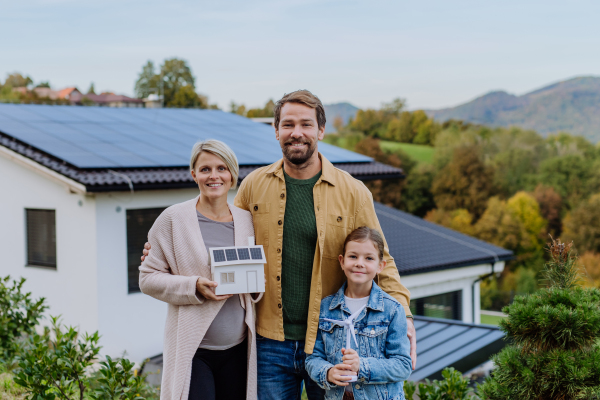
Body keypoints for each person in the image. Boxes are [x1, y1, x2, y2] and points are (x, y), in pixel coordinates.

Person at [143, 90, 417, 400]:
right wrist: (163, 248)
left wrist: (404, 315)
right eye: (287, 125)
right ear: (276, 131)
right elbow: (225, 230)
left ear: (321, 130)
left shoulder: (353, 192)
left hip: (330, 341)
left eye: (306, 124)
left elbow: (382, 259)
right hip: (268, 342)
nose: (296, 133)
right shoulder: (254, 185)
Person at [139, 139, 262, 400]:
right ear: (194, 174)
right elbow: (147, 278)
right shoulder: (173, 219)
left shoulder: (247, 220)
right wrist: (192, 286)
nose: (214, 176)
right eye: (205, 169)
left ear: (232, 174)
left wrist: (254, 287)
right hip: (195, 351)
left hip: (239, 349)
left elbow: (256, 273)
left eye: (221, 168)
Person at [305, 227, 412, 400]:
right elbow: (313, 358)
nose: (359, 263)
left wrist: (361, 366)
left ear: (380, 266)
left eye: (369, 258)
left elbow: (403, 365)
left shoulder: (393, 309)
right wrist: (328, 372)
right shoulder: (325, 308)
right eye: (353, 256)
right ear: (342, 261)